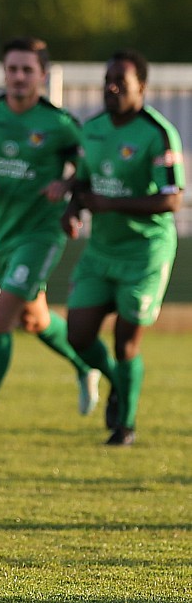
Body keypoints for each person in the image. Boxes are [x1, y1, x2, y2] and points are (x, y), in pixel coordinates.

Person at [0, 36, 99, 439]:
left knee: (1, 316)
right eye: (12, 69)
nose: (18, 77)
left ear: (42, 76)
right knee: (35, 319)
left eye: (27, 70)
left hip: (42, 234)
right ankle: (88, 368)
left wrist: (65, 188)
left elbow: (88, 167)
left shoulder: (59, 124)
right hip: (2, 232)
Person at [61, 50, 185, 447]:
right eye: (107, 80)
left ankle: (124, 425)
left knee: (126, 341)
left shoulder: (157, 132)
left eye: (121, 82)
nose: (111, 88)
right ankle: (115, 381)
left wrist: (109, 204)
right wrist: (73, 208)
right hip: (101, 249)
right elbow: (81, 184)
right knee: (78, 335)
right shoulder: (91, 129)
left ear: (142, 88)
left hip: (145, 252)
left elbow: (172, 199)